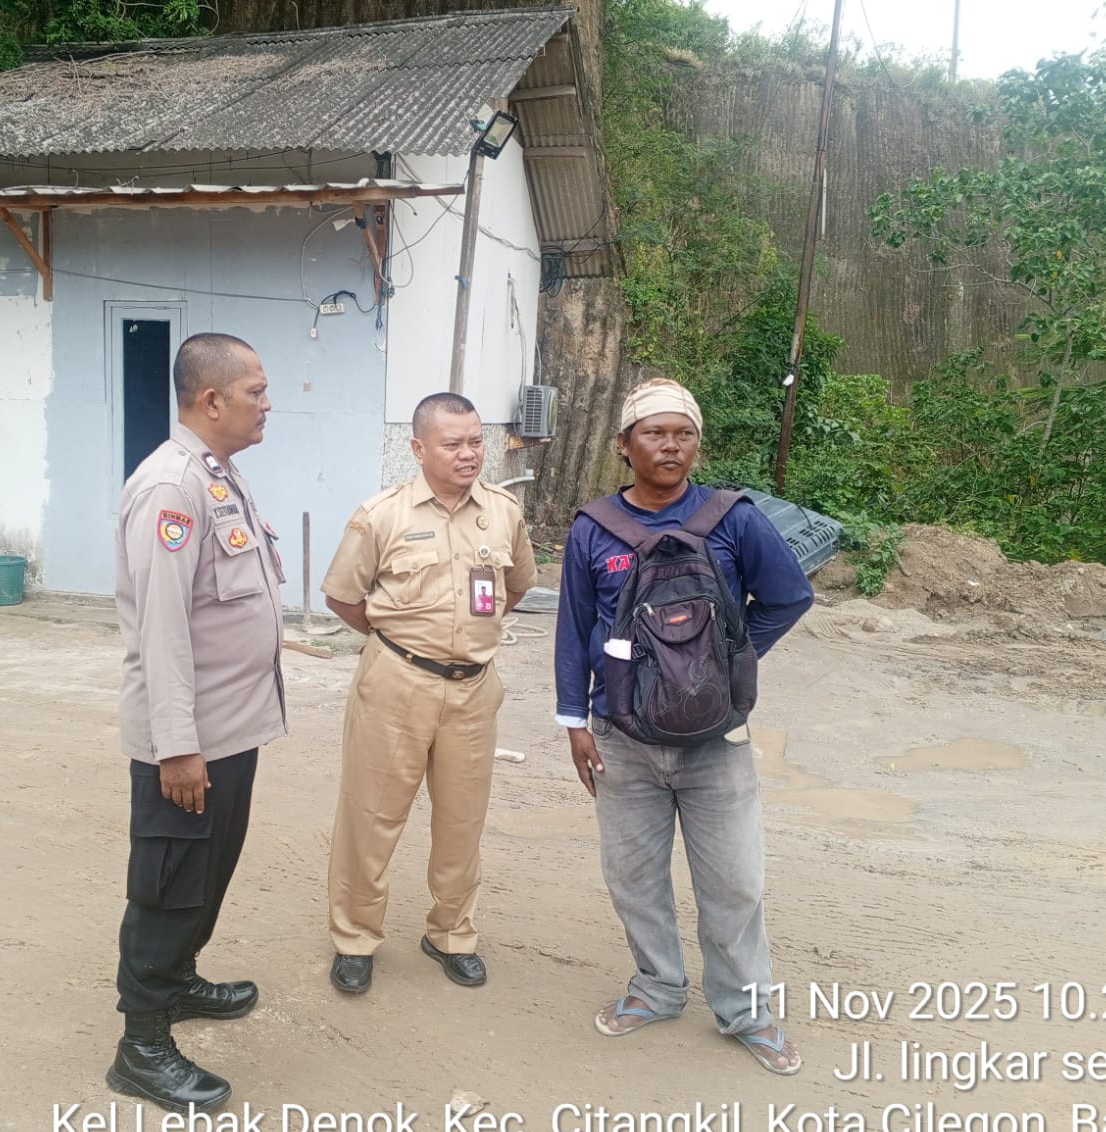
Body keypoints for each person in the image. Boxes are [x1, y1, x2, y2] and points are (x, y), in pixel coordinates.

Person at [554, 378, 813, 1074]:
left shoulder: (734, 519)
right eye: (654, 433)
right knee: (633, 876)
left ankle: (747, 1011)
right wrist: (575, 721)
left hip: (716, 740)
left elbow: (789, 595)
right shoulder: (594, 529)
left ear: (697, 444)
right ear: (624, 445)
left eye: (684, 434)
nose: (670, 446)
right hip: (622, 737)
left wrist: (728, 661)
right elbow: (573, 629)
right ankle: (658, 987)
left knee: (734, 883)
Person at [109, 332, 285, 1113]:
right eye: (256, 391)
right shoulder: (170, 487)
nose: (266, 404)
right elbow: (163, 630)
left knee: (206, 876)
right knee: (169, 888)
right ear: (212, 400)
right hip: (191, 744)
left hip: (230, 731)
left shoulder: (218, 474)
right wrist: (177, 748)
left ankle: (178, 981)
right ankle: (141, 1045)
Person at [320, 393, 537, 995]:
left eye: (476, 441)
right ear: (418, 449)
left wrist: (468, 637)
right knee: (371, 817)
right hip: (396, 684)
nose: (469, 454)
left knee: (462, 821)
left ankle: (451, 934)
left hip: (474, 689)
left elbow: (516, 585)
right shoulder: (381, 515)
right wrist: (399, 642)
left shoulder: (503, 512)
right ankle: (355, 937)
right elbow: (342, 596)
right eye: (453, 443)